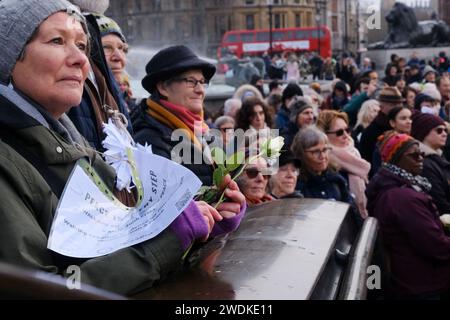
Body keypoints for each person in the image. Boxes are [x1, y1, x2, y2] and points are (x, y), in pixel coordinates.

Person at [0, 0, 243, 296]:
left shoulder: (77, 149)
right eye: (57, 41)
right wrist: (167, 242)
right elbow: (40, 291)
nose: (81, 60)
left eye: (82, 45)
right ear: (8, 56)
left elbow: (122, 243)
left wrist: (202, 222)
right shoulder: (10, 159)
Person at [366, 132, 450, 299]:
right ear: (395, 159)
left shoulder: (397, 187)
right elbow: (435, 245)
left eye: (422, 154)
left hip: (414, 280)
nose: (420, 159)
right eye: (414, 155)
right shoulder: (403, 198)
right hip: (420, 284)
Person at [66, 0, 132, 151]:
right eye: (107, 47)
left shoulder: (115, 91)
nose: (118, 57)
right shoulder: (78, 82)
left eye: (122, 48)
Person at [316, 111, 370, 218]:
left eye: (347, 130)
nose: (346, 135)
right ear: (325, 135)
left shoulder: (353, 152)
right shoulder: (323, 161)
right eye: (339, 132)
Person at [411, 113, 450, 216]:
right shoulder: (424, 163)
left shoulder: (438, 156)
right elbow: (440, 203)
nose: (444, 134)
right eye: (439, 130)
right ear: (424, 132)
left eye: (445, 130)